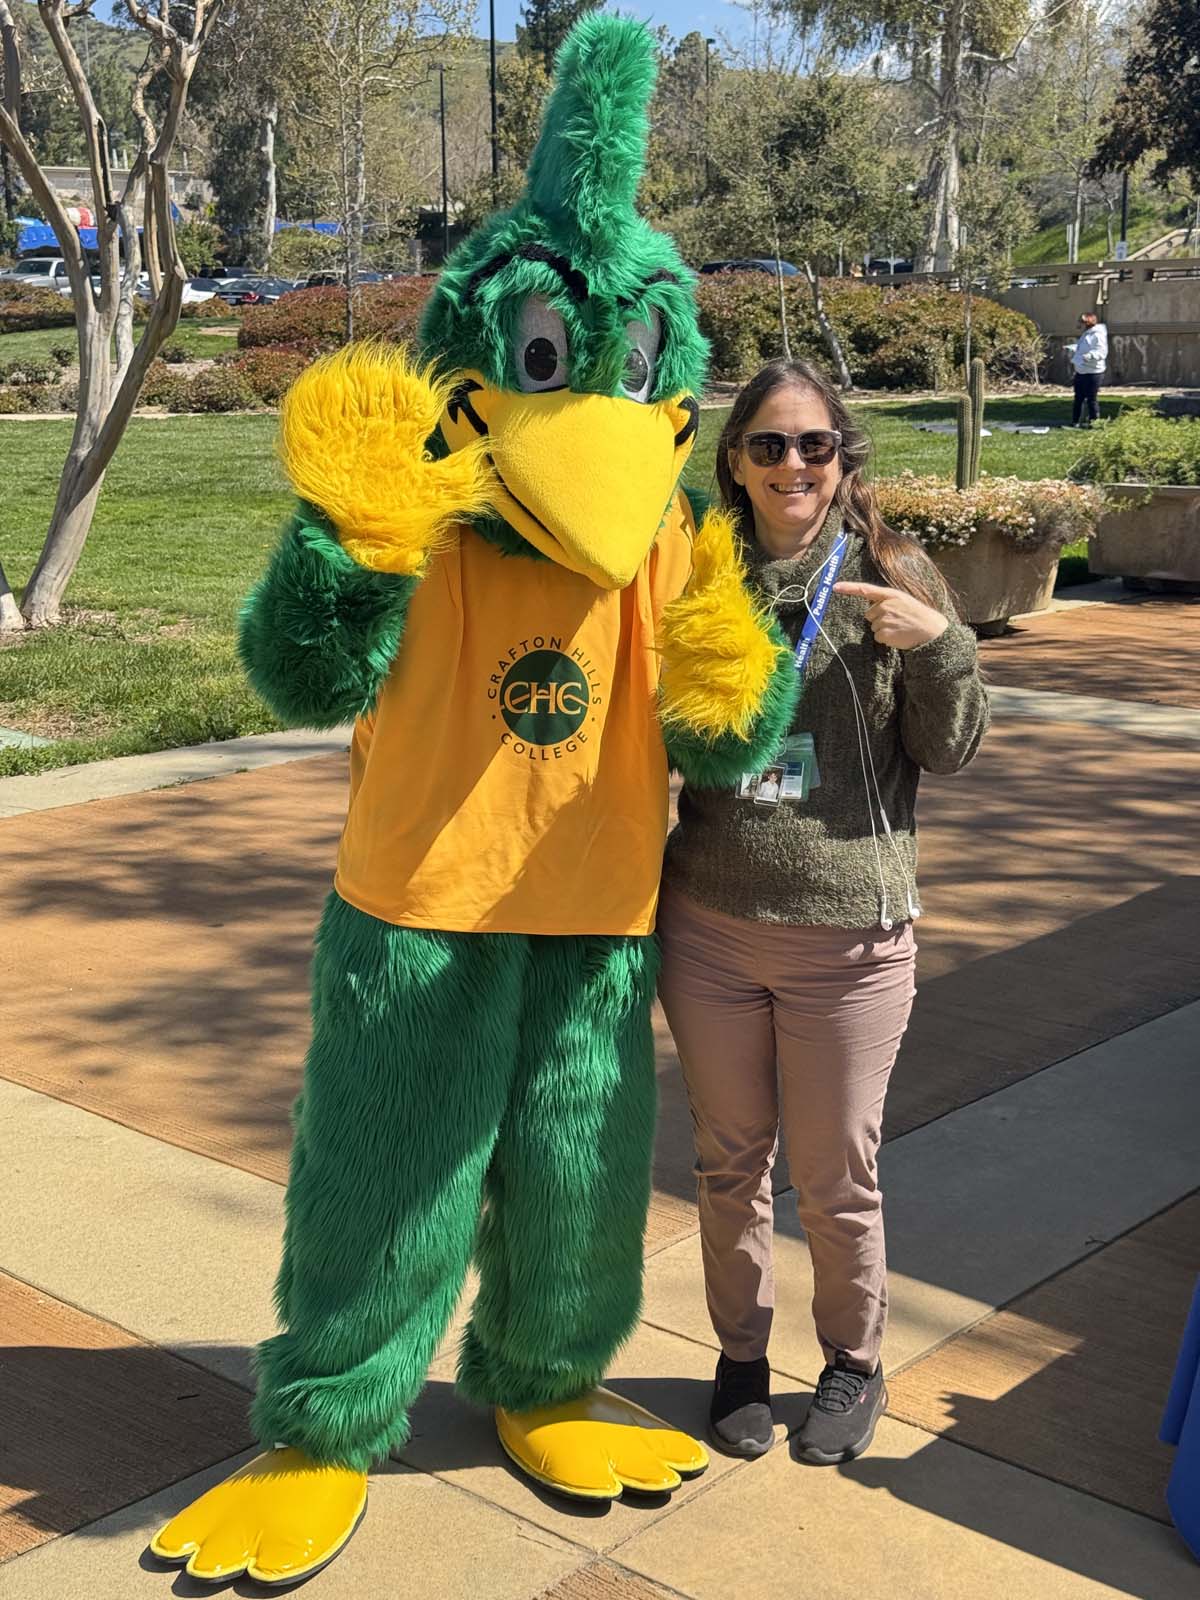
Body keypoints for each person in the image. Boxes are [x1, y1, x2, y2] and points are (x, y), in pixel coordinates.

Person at [656, 358, 990, 1466]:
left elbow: (949, 748)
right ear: (734, 462)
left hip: (848, 938)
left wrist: (937, 646)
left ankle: (853, 1361)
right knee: (727, 1163)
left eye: (814, 445)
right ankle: (740, 1359)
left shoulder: (894, 571)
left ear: (844, 459)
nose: (792, 464)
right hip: (710, 925)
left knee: (837, 1174)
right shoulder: (697, 571)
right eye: (769, 445)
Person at [1070, 312, 1108, 428]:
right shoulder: (1086, 334)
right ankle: (1075, 422)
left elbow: (1101, 352)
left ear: (1088, 322)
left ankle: (1094, 423)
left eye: (1082, 322)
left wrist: (1090, 355)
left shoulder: (1098, 334)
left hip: (1093, 372)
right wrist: (1075, 348)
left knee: (1091, 399)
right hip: (1081, 370)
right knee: (1078, 398)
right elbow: (1084, 347)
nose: (1079, 324)